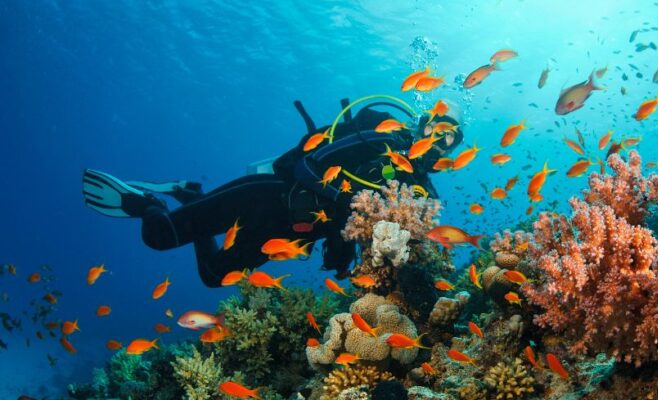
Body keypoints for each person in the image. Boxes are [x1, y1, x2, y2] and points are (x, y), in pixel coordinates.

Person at [82, 98, 463, 287]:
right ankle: (146, 203)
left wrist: (344, 249)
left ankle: (192, 196)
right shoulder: (381, 140)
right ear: (424, 124)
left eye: (451, 139)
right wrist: (346, 202)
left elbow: (368, 233)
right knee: (159, 236)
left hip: (289, 236)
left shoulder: (422, 194)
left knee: (214, 276)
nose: (441, 141)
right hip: (269, 196)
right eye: (439, 128)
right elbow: (308, 166)